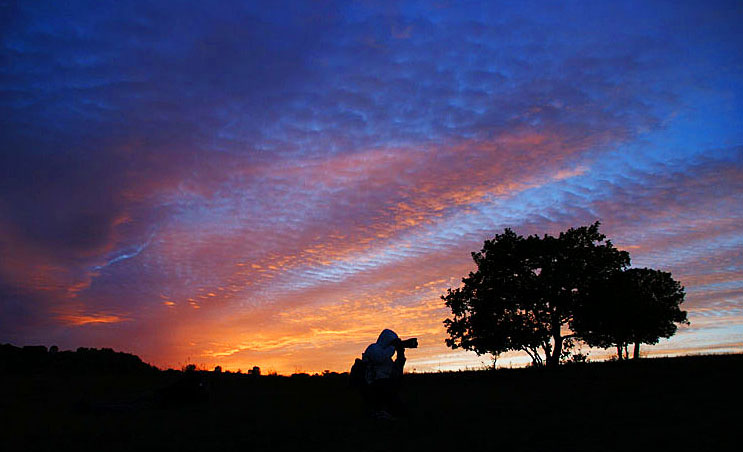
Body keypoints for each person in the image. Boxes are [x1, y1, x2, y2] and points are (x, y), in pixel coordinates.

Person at [360, 329, 409, 420]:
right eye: (393, 342)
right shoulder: (373, 348)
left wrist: (400, 354)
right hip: (373, 384)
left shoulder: (388, 358)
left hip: (385, 385)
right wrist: (393, 346)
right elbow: (379, 358)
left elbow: (397, 371)